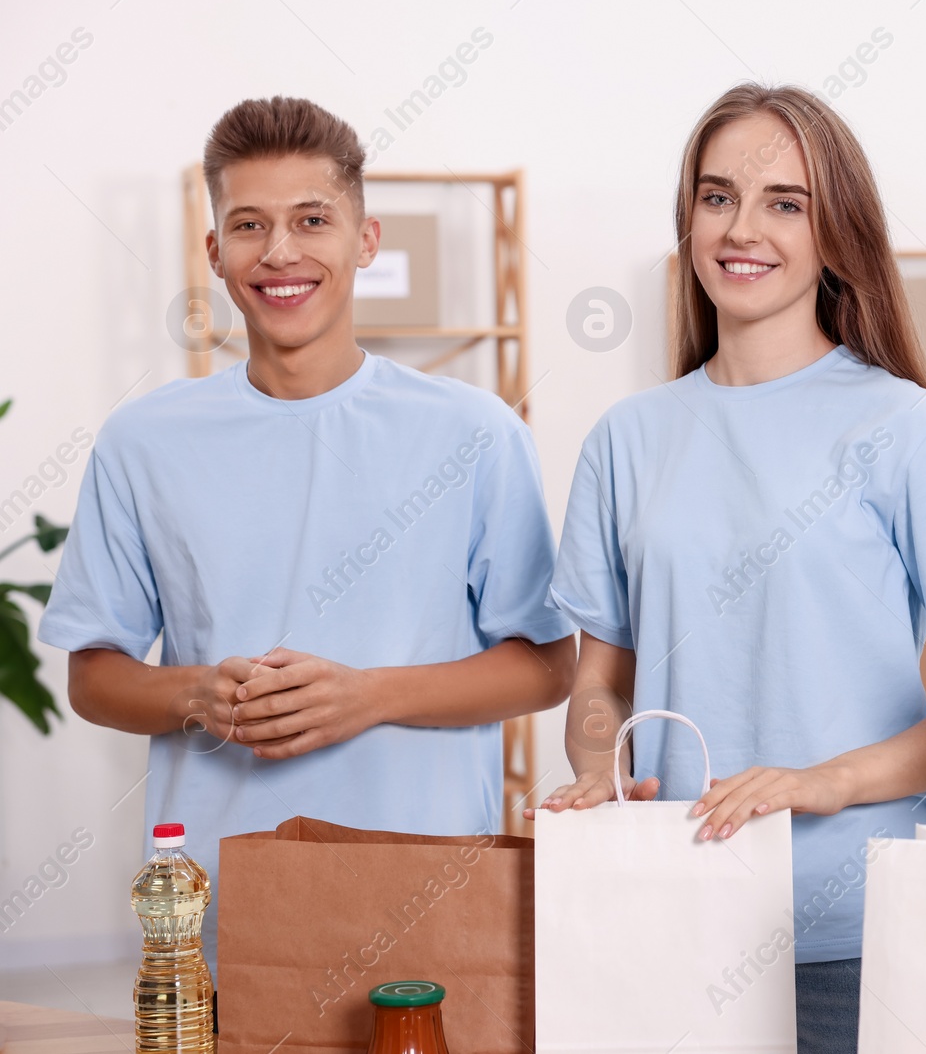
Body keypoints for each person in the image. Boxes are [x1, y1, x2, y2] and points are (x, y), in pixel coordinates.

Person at [533, 83, 926, 1052]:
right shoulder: (628, 439)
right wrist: (599, 767)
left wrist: (829, 779)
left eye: (783, 203)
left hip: (855, 936)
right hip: (669, 914)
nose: (741, 228)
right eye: (716, 197)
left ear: (834, 233)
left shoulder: (908, 429)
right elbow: (599, 679)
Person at [39, 97, 576, 974]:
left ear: (366, 239)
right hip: (218, 907)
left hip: (429, 890)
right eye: (248, 224)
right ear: (214, 253)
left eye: (312, 220)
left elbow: (550, 666)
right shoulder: (144, 441)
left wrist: (368, 696)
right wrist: (199, 694)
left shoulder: (476, 433)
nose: (280, 252)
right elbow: (94, 676)